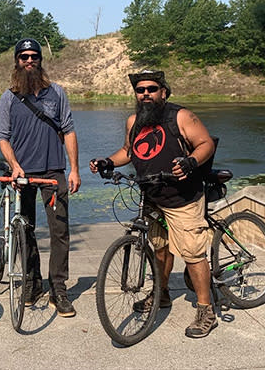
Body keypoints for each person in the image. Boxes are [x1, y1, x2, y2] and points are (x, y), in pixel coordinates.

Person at [89, 70, 219, 338]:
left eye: (151, 89)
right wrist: (108, 161)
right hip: (152, 196)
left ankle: (206, 310)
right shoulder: (134, 121)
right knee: (159, 249)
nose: (145, 93)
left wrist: (191, 161)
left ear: (163, 92)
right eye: (140, 90)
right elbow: (128, 150)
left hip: (183, 198)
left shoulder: (180, 116)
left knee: (193, 254)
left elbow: (205, 143)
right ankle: (161, 294)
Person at [0, 38, 81, 317]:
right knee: (25, 231)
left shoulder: (56, 93)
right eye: (24, 57)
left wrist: (74, 169)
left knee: (60, 232)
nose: (29, 61)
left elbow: (68, 131)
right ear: (17, 61)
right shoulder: (8, 97)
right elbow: (3, 138)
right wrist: (15, 165)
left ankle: (59, 289)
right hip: (22, 175)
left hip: (53, 171)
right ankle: (31, 283)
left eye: (34, 56)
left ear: (40, 60)